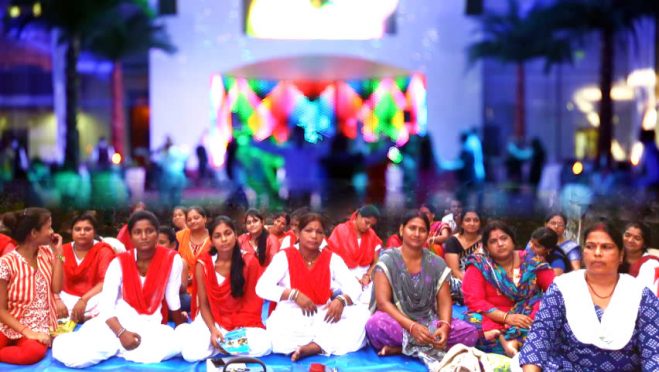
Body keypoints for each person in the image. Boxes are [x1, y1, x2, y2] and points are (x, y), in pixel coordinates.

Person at [52, 210, 186, 367]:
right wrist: (121, 333)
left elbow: (172, 297)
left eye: (149, 231)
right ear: (130, 236)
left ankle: (116, 348)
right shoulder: (119, 262)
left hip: (148, 326)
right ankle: (115, 346)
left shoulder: (172, 259)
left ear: (157, 233)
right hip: (113, 323)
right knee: (73, 357)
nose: (144, 236)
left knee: (179, 345)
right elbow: (107, 306)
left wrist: (180, 326)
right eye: (138, 232)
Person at [518, 222, 659, 371]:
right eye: (590, 246)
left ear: (621, 255)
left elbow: (654, 352)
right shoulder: (563, 287)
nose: (597, 253)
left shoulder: (640, 294)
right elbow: (539, 338)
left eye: (606, 247)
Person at [365, 210, 478, 366]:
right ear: (401, 230)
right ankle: (423, 345)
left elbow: (445, 301)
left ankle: (400, 348)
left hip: (429, 321)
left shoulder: (436, 263)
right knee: (375, 325)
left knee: (470, 334)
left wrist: (444, 327)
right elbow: (383, 303)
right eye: (412, 228)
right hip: (399, 321)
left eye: (422, 230)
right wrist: (411, 327)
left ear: (428, 234)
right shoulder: (387, 260)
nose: (417, 234)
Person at [255, 212, 370, 361]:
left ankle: (313, 347)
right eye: (308, 230)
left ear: (323, 237)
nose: (314, 236)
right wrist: (293, 295)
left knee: (362, 316)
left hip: (323, 316)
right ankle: (318, 345)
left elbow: (354, 287)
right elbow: (261, 287)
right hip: (291, 320)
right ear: (298, 233)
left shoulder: (332, 259)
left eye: (319, 232)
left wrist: (341, 300)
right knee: (278, 338)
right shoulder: (284, 257)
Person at [175, 216, 271, 361]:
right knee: (191, 353)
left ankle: (221, 345)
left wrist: (238, 327)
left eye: (228, 233)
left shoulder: (250, 261)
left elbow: (252, 303)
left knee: (263, 343)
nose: (224, 239)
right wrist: (213, 330)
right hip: (212, 321)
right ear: (211, 241)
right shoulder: (203, 264)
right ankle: (223, 344)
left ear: (236, 235)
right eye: (218, 236)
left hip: (240, 322)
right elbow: (204, 305)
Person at [462, 221, 554, 357]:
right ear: (486, 247)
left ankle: (511, 341)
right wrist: (507, 318)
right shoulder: (479, 265)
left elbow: (555, 290)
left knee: (547, 309)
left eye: (504, 238)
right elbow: (474, 301)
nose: (500, 244)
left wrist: (534, 315)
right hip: (493, 318)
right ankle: (510, 340)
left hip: (526, 318)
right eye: (493, 241)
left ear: (512, 240)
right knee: (471, 324)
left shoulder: (533, 262)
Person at [0, 208, 64, 365]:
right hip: (9, 323)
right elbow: (1, 310)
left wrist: (58, 254)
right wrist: (26, 332)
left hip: (38, 325)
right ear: (34, 233)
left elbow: (57, 288)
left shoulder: (48, 254)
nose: (52, 231)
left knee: (32, 353)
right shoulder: (6, 263)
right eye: (48, 227)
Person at [59, 213, 115, 323]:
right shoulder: (62, 251)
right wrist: (56, 300)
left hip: (92, 297)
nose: (82, 233)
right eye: (78, 229)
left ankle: (84, 318)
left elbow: (106, 281)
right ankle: (74, 316)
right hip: (66, 296)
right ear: (71, 231)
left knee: (106, 300)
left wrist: (83, 300)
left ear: (94, 232)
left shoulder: (103, 251)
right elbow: (54, 274)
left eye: (87, 229)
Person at [327, 205, 382, 304]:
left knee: (378, 294)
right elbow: (331, 261)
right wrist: (350, 277)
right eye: (367, 222)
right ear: (358, 216)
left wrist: (368, 275)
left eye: (371, 225)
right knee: (344, 294)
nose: (368, 227)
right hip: (342, 276)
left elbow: (376, 262)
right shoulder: (341, 230)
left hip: (365, 281)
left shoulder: (371, 234)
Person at [443, 209, 483, 304]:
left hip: (482, 279)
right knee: (448, 285)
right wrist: (472, 284)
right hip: (460, 280)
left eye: (476, 220)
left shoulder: (486, 241)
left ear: (480, 223)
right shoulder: (452, 241)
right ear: (461, 223)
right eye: (467, 220)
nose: (472, 223)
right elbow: (455, 271)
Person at [176, 206, 211, 297]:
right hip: (184, 291)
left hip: (208, 288)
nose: (193, 221)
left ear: (205, 219)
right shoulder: (180, 236)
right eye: (189, 219)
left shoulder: (214, 237)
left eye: (196, 218)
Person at [620, 222, 658, 295]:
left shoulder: (651, 264)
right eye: (627, 235)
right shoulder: (614, 257)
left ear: (644, 243)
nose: (630, 240)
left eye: (637, 238)